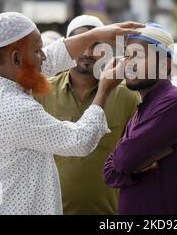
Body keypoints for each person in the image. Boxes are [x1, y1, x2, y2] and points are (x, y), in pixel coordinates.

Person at [0, 12, 143, 215]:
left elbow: (51, 59)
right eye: (38, 51)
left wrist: (94, 35)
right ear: (16, 58)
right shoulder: (14, 108)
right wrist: (104, 89)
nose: (43, 56)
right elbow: (80, 140)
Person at [35, 15, 140, 214]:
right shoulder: (42, 92)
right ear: (68, 47)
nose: (88, 53)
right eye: (81, 43)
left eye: (96, 46)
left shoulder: (128, 96)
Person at [103, 23, 177, 215]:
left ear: (164, 64)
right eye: (127, 55)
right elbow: (108, 173)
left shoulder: (174, 102)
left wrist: (128, 167)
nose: (129, 63)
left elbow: (123, 160)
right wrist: (130, 165)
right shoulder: (144, 106)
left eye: (138, 55)